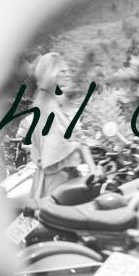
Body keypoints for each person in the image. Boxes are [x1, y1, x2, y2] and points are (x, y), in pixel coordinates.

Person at [27, 51, 95, 201]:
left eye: (67, 71)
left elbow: (75, 133)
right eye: (62, 71)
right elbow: (54, 147)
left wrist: (92, 167)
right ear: (50, 73)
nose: (67, 74)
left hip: (67, 175)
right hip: (56, 179)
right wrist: (77, 146)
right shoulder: (44, 103)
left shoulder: (56, 99)